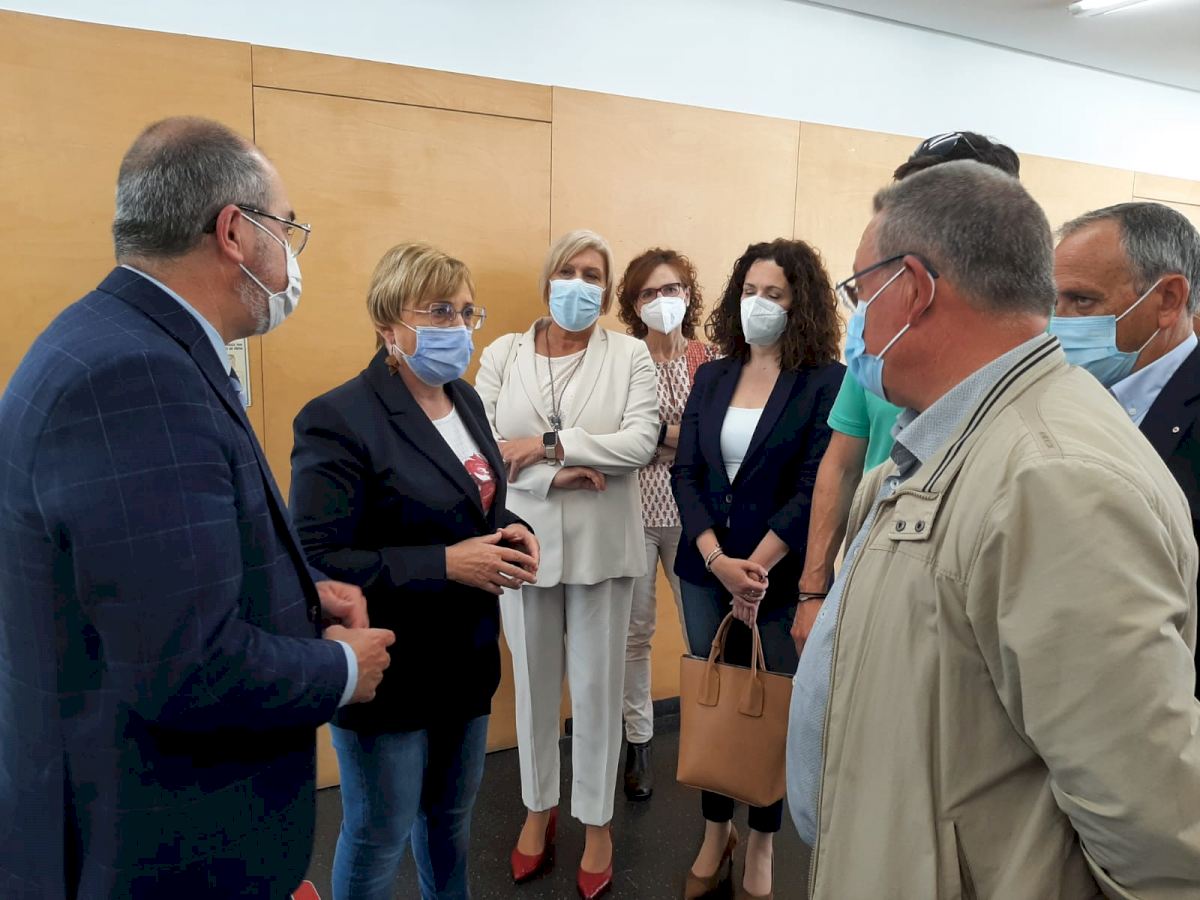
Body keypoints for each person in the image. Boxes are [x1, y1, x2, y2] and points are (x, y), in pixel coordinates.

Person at [0, 117, 395, 897]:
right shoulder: (136, 378)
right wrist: (343, 668)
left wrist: (298, 594)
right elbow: (184, 665)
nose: (292, 255)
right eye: (287, 228)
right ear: (235, 233)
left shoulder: (112, 339)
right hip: (157, 841)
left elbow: (148, 579)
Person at [788, 160, 1200, 897]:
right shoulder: (957, 437)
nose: (856, 322)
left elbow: (1155, 829)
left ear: (913, 289)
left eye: (860, 292)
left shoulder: (1054, 480)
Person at [289, 244, 540, 900]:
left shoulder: (466, 401)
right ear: (387, 324)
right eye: (438, 311)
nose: (458, 327)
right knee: (380, 835)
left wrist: (516, 530)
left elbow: (479, 503)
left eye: (465, 311)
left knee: (450, 822)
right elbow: (318, 560)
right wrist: (447, 564)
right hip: (390, 668)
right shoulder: (337, 418)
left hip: (466, 658)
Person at [475, 229, 658, 899]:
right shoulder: (502, 354)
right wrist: (557, 475)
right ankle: (538, 808)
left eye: (593, 275)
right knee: (532, 689)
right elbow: (484, 449)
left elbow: (639, 442)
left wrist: (548, 445)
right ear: (547, 278)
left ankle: (597, 822)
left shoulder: (630, 354)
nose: (579, 284)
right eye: (568, 271)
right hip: (522, 547)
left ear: (606, 292)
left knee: (598, 692)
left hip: (603, 552)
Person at [793, 131, 1022, 650]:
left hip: (961, 605)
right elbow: (841, 464)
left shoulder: (1033, 346)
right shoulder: (881, 336)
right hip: (870, 574)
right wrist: (813, 589)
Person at [671, 239, 844, 900]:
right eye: (749, 291)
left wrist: (758, 569)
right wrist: (718, 561)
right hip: (705, 569)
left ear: (800, 304)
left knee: (771, 708)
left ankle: (763, 841)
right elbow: (685, 472)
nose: (758, 304)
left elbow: (816, 485)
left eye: (774, 294)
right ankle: (715, 831)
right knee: (714, 700)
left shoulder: (825, 380)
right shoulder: (713, 375)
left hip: (779, 577)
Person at [1050, 201, 1200, 697]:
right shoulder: (1056, 397)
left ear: (1168, 299)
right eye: (1053, 301)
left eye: (1082, 301)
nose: (1058, 323)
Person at [612, 247, 718, 802]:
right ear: (635, 305)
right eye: (649, 292)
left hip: (693, 520)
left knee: (704, 634)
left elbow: (714, 441)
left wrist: (653, 437)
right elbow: (615, 440)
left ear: (688, 294)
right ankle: (639, 741)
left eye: (671, 288)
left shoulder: (710, 360)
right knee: (635, 635)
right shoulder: (621, 362)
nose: (661, 300)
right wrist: (674, 438)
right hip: (630, 515)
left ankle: (713, 740)